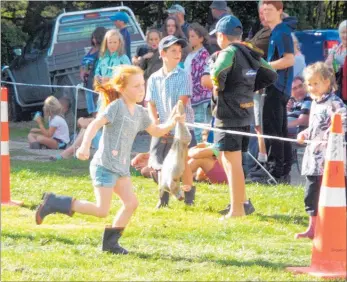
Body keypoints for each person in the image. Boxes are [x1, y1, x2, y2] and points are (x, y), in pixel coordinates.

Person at [35, 65, 185, 255]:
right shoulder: (116, 107)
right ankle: (54, 202)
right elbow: (95, 124)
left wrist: (173, 121)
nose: (141, 90)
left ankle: (111, 244)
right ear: (122, 89)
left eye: (142, 85)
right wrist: (84, 145)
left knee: (131, 204)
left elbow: (156, 130)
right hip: (105, 166)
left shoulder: (140, 113)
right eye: (136, 86)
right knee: (101, 210)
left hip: (121, 169)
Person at [209, 15, 277, 218]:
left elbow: (218, 71)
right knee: (226, 157)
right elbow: (271, 73)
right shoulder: (250, 51)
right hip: (245, 114)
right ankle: (242, 202)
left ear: (222, 36)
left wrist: (218, 87)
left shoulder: (228, 51)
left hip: (228, 115)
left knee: (232, 162)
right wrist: (251, 87)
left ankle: (237, 210)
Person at [295, 62, 347, 239]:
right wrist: (304, 133)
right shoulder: (315, 103)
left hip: (329, 159)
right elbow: (315, 126)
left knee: (333, 194)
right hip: (313, 159)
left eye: (316, 83)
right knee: (311, 194)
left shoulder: (335, 103)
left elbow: (344, 122)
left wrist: (331, 134)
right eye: (309, 84)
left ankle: (334, 228)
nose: (312, 87)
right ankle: (312, 227)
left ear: (327, 82)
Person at [146, 35, 197, 208]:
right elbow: (150, 104)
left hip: (182, 128)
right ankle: (163, 200)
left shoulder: (184, 75)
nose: (178, 54)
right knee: (160, 164)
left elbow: (182, 102)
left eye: (179, 51)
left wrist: (170, 123)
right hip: (162, 127)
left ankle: (189, 197)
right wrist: (157, 124)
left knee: (183, 164)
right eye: (173, 51)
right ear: (163, 53)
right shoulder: (153, 78)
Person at [252, 0, 296, 184]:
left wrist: (265, 66)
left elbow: (289, 60)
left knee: (272, 130)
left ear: (280, 11)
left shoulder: (282, 32)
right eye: (264, 10)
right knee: (278, 129)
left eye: (270, 10)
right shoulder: (275, 32)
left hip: (278, 88)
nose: (266, 13)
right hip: (274, 87)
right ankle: (282, 169)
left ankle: (275, 171)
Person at [184, 23, 212, 142]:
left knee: (200, 127)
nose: (190, 39)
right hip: (190, 95)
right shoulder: (190, 54)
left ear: (201, 38)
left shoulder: (204, 54)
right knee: (194, 126)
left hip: (200, 96)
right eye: (189, 36)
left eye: (193, 36)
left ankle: (202, 151)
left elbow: (201, 76)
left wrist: (192, 92)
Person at [81, 27, 107, 116]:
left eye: (95, 37)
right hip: (87, 82)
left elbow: (89, 66)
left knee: (96, 106)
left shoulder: (101, 51)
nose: (93, 39)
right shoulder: (92, 49)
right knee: (91, 106)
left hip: (93, 81)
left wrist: (85, 72)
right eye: (92, 37)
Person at [326, 20, 347, 101]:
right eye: (343, 32)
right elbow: (326, 66)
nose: (345, 35)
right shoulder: (335, 49)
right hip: (337, 89)